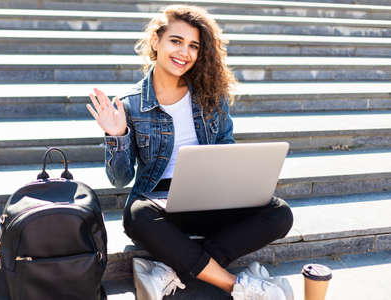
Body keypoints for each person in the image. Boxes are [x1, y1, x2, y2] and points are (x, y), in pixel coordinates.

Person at [87, 5, 294, 300]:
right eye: (176, 41)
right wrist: (116, 134)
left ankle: (169, 272)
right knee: (137, 215)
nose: (184, 52)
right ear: (156, 41)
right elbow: (120, 179)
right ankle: (234, 285)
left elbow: (225, 146)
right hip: (160, 207)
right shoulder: (131, 104)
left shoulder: (211, 95)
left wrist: (237, 180)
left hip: (210, 197)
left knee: (279, 213)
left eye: (193, 46)